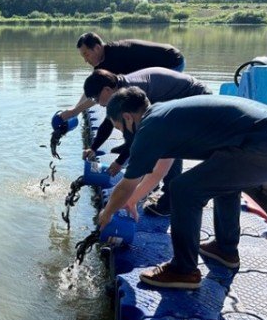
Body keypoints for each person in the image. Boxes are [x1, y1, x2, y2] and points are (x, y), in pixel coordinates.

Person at [98, 87, 267, 290]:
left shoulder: (150, 127)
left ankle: (183, 271)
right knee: (224, 181)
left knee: (184, 190)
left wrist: (107, 213)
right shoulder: (166, 115)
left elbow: (127, 184)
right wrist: (133, 200)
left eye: (119, 128)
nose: (124, 135)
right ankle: (225, 249)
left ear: (127, 117)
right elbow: (158, 171)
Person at [82, 67, 212, 216]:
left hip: (195, 96)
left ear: (106, 90)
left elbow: (139, 138)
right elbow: (109, 124)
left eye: (96, 99)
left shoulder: (131, 95)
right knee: (159, 149)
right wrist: (94, 147)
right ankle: (153, 187)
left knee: (169, 147)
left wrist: (120, 163)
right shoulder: (121, 94)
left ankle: (168, 203)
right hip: (176, 100)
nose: (98, 103)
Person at [59, 32, 185, 121]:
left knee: (152, 109)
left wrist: (75, 112)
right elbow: (92, 91)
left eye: (86, 55)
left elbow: (98, 94)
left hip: (172, 61)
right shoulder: (103, 61)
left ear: (97, 48)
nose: (85, 60)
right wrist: (74, 110)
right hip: (159, 66)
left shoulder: (114, 57)